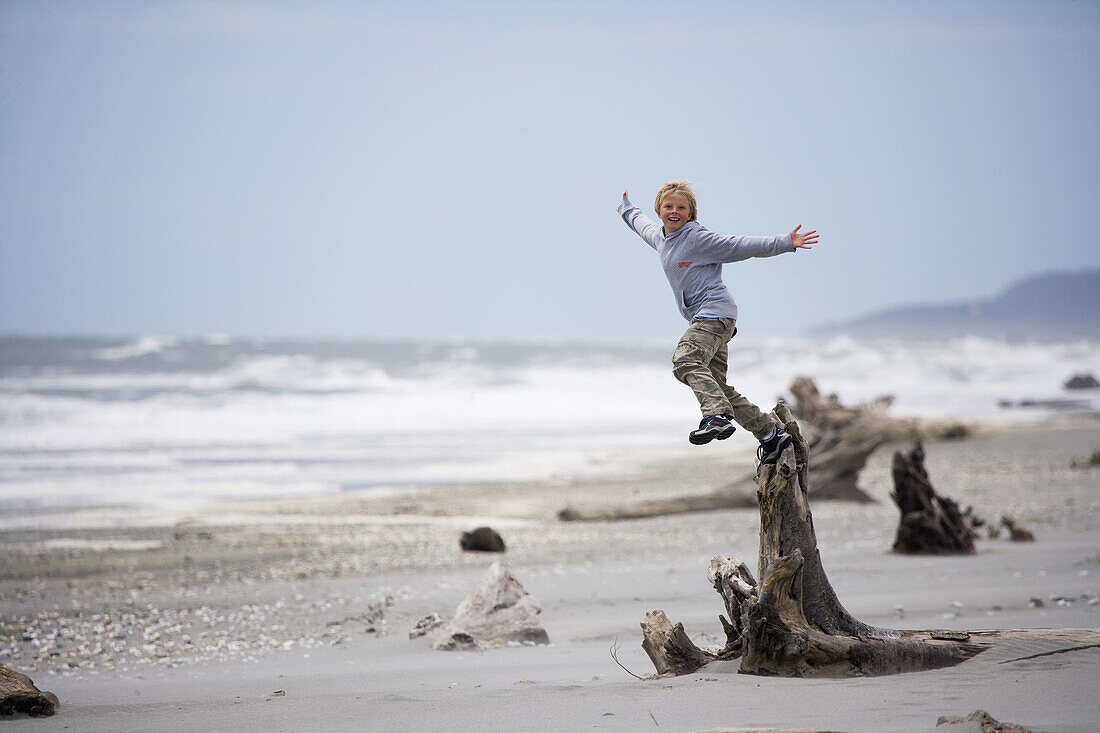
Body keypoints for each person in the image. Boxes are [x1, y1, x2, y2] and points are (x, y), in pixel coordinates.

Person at [617, 180, 818, 464]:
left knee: (685, 360)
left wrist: (785, 242)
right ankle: (770, 434)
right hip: (709, 318)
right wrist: (626, 209)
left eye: (682, 208)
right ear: (659, 210)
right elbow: (640, 224)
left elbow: (740, 245)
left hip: (715, 315)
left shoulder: (697, 239)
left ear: (691, 213)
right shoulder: (661, 238)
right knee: (718, 387)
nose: (675, 211)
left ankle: (714, 416)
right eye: (669, 207)